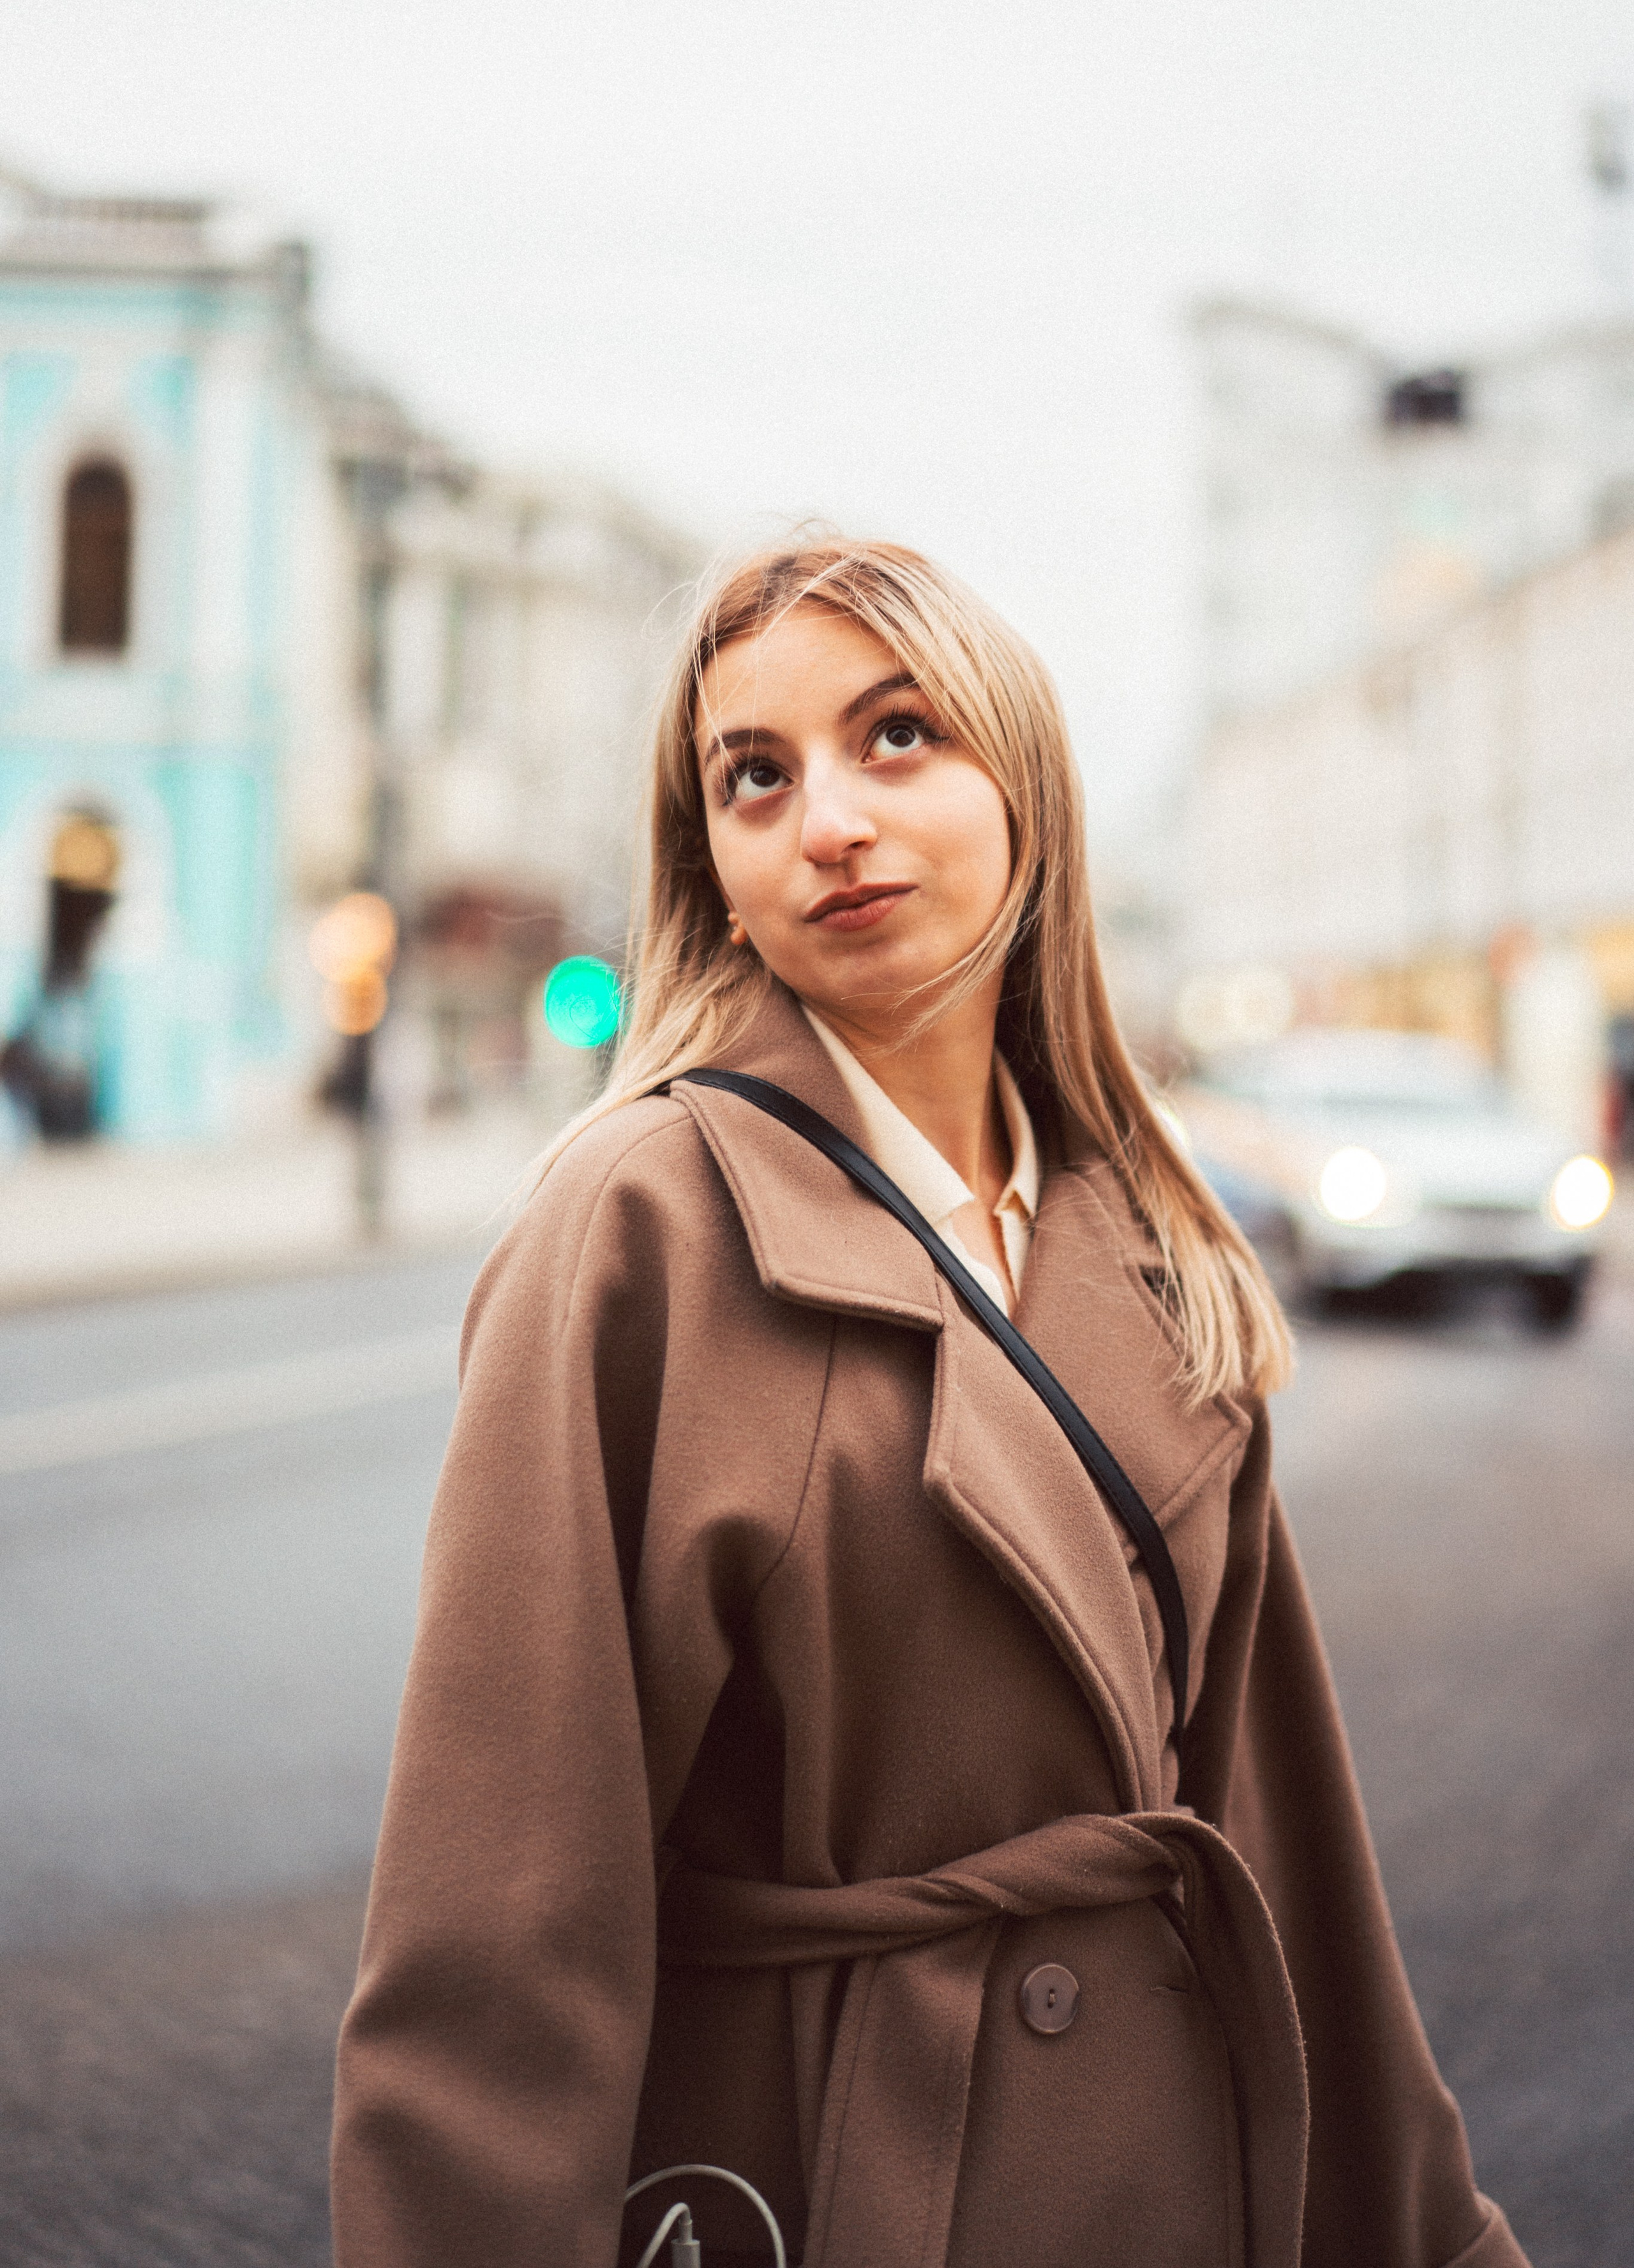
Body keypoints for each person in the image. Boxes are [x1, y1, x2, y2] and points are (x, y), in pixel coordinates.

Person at [331, 541, 1527, 2268]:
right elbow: (496, 1931)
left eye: (897, 737)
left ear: (1023, 788)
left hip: (1179, 2174)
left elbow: (1289, 1849)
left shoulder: (1153, 1231)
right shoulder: (637, 1221)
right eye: (757, 776)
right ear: (714, 868)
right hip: (835, 2174)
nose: (827, 818)